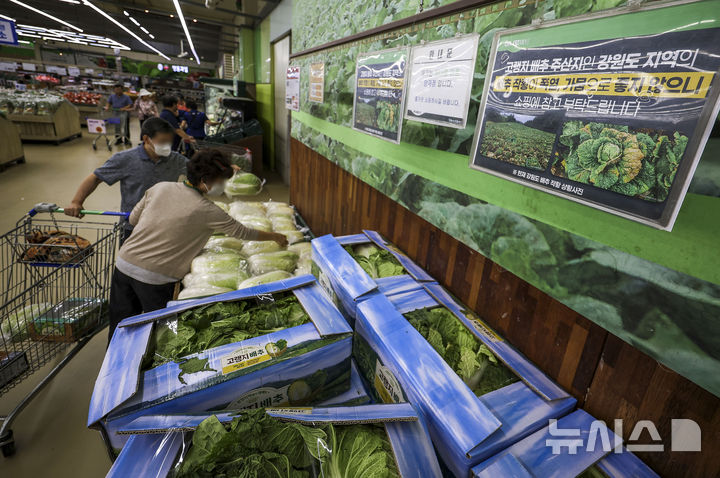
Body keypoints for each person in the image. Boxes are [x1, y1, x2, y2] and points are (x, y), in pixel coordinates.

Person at [107, 149, 287, 341]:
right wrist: (275, 236)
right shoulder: (207, 210)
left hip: (124, 263)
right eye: (220, 182)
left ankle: (113, 364)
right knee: (165, 331)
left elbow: (134, 219)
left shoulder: (160, 187)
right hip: (156, 278)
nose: (223, 186)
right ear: (205, 181)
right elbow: (243, 232)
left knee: (121, 325)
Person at [64, 117, 188, 244]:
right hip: (132, 225)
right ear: (146, 139)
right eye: (162, 142)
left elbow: (198, 173)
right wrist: (76, 202)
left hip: (163, 225)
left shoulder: (176, 160)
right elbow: (95, 178)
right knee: (127, 263)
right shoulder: (125, 159)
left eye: (169, 142)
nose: (167, 146)